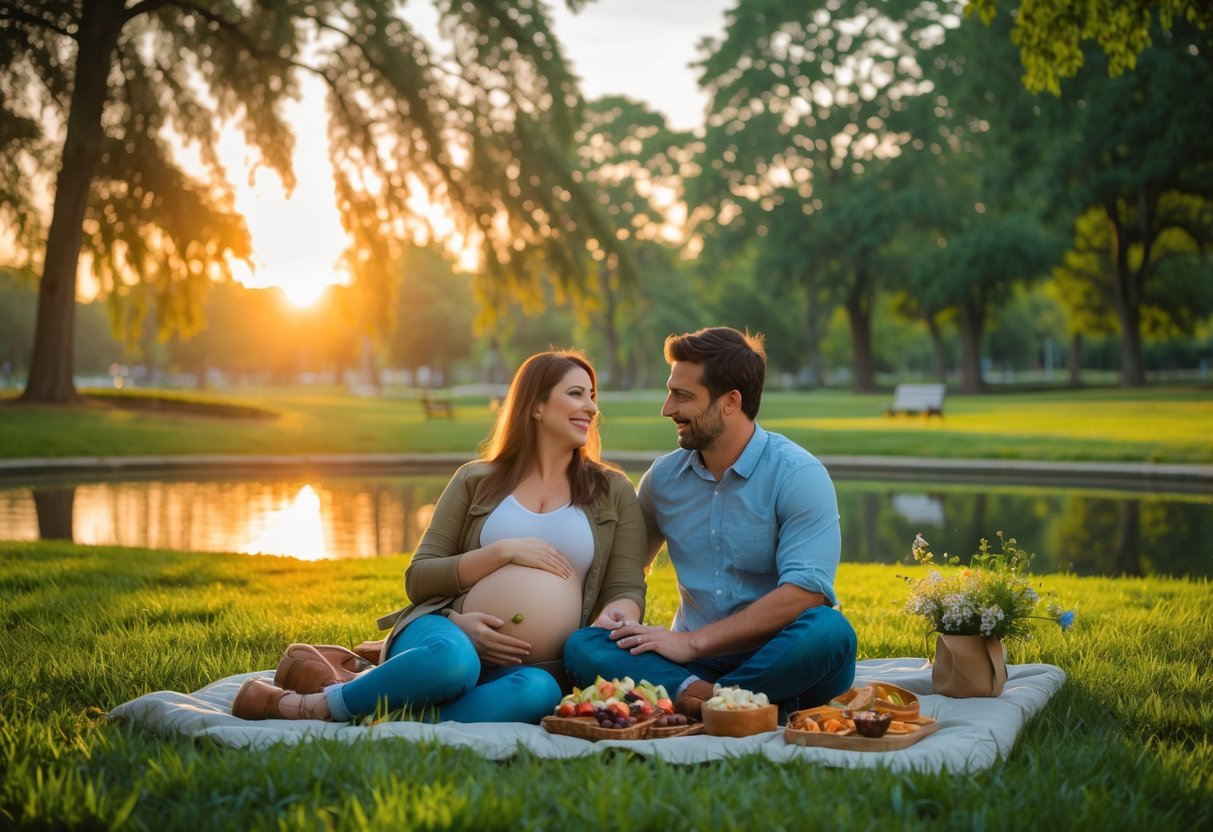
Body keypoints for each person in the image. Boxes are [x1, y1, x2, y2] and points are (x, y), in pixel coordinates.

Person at [232, 351, 648, 724]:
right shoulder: (475, 481)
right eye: (576, 394)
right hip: (447, 631)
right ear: (536, 406)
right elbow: (419, 577)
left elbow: (626, 587)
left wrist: (619, 613)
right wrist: (500, 555)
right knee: (454, 661)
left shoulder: (612, 491)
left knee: (538, 693)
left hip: (537, 665)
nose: (591, 408)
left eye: (593, 396)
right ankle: (309, 707)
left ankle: (375, 703)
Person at [563, 327, 857, 718]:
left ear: (730, 402)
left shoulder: (798, 474)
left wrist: (692, 644)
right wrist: (623, 607)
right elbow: (629, 564)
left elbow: (804, 593)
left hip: (782, 656)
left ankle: (702, 701)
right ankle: (734, 704)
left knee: (830, 632)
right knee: (584, 645)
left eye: (682, 396)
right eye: (670, 392)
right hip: (692, 667)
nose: (667, 409)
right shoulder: (663, 479)